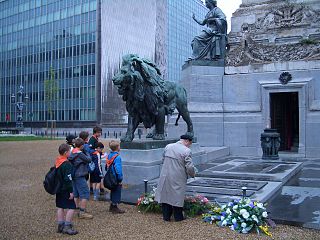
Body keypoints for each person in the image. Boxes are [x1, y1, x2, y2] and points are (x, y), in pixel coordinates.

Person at [155, 135, 196, 222]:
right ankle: (178, 217)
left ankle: (166, 217)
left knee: (165, 196)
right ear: (187, 141)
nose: (189, 145)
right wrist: (193, 174)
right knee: (177, 196)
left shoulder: (168, 146)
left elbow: (163, 159)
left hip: (165, 175)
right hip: (178, 176)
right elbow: (189, 167)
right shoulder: (186, 150)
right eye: (190, 143)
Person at [55, 143, 78, 235]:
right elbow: (68, 179)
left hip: (58, 188)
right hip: (65, 188)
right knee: (72, 207)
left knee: (60, 206)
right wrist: (71, 191)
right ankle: (67, 226)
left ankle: (60, 225)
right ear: (65, 153)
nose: (70, 153)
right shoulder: (66, 164)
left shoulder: (58, 161)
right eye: (69, 151)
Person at [68, 138, 93, 219]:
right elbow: (89, 159)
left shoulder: (72, 152)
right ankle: (82, 212)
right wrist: (86, 152)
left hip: (74, 175)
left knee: (76, 193)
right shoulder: (80, 153)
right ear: (82, 146)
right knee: (85, 193)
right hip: (80, 175)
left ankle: (74, 208)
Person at [106, 140, 125, 214]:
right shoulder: (117, 157)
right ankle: (114, 207)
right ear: (117, 148)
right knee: (117, 191)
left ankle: (111, 205)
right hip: (115, 177)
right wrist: (120, 178)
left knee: (112, 190)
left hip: (110, 176)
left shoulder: (109, 155)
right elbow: (118, 168)